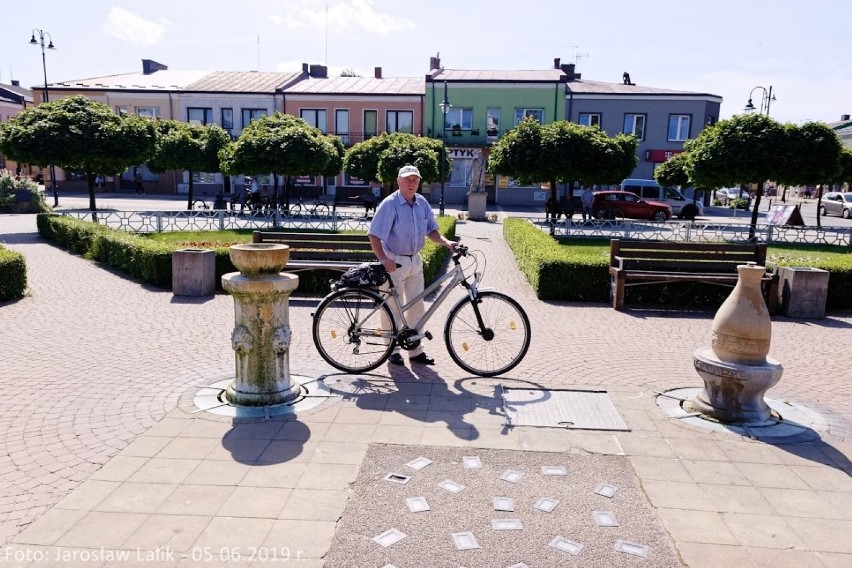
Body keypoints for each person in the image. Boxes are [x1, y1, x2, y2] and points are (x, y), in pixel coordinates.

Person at [368, 164, 457, 366]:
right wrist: (383, 259)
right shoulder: (390, 204)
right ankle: (392, 350)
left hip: (415, 261)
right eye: (407, 179)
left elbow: (431, 231)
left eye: (415, 179)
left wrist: (446, 242)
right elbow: (374, 234)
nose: (412, 183)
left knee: (417, 307)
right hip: (394, 261)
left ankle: (415, 351)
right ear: (398, 181)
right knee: (392, 307)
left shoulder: (422, 203)